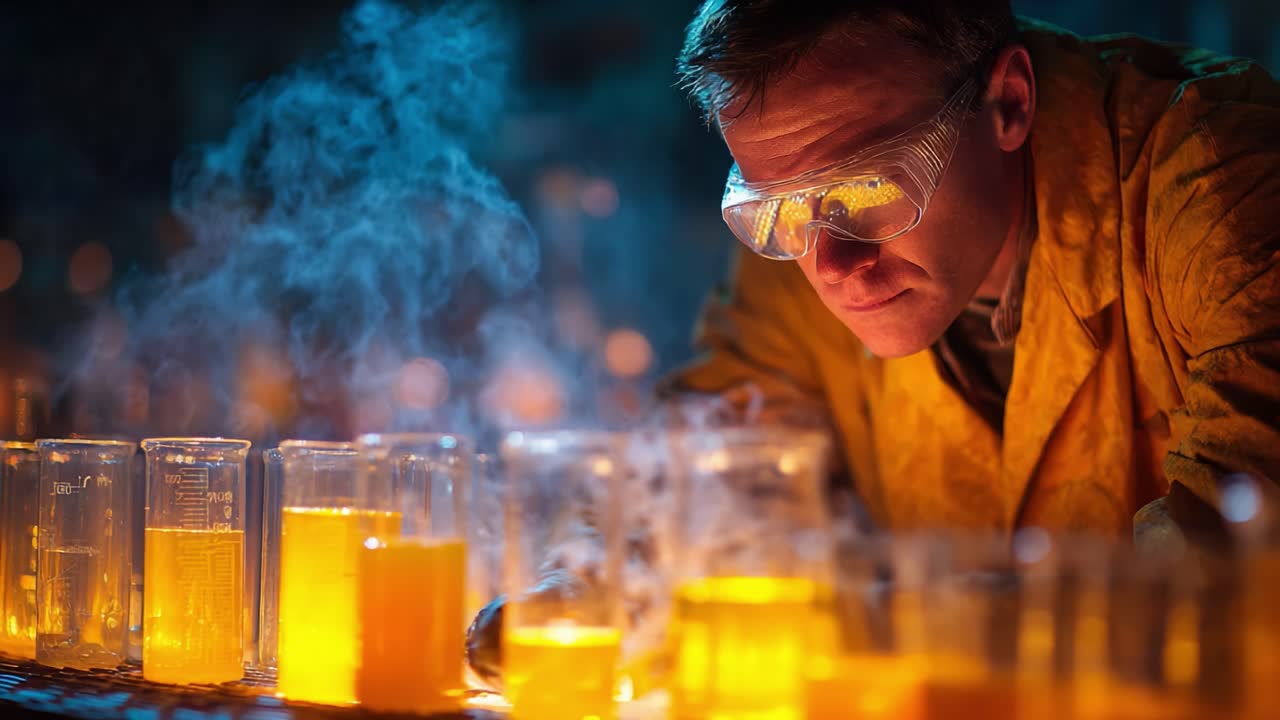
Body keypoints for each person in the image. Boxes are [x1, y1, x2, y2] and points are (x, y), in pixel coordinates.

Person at [661, 0, 1280, 547]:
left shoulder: (1219, 184)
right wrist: (579, 568)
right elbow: (688, 478)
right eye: (777, 206)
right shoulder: (798, 233)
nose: (830, 264)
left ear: (1008, 102)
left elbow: (1233, 549)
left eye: (869, 186)